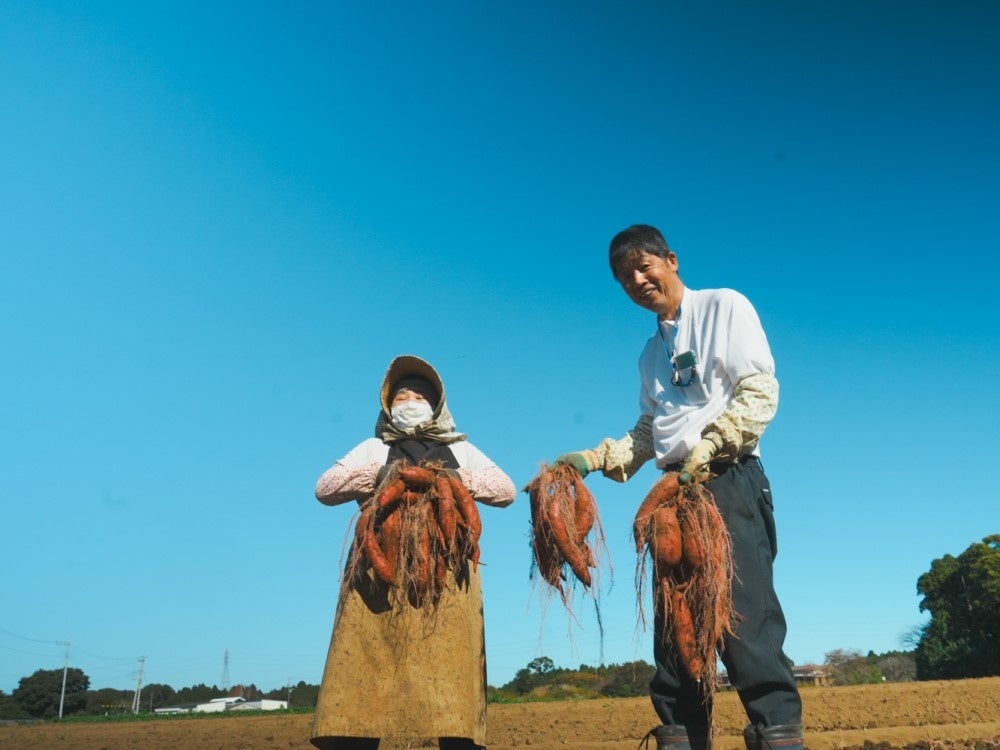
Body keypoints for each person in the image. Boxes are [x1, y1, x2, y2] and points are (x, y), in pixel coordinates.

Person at [551, 225, 803, 750]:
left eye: (645, 267)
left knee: (744, 617)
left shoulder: (724, 306)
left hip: (728, 480)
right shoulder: (650, 353)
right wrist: (595, 458)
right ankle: (682, 736)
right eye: (625, 278)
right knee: (675, 631)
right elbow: (650, 431)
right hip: (674, 495)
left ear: (671, 259)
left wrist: (715, 444)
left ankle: (776, 731)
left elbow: (758, 388)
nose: (638, 281)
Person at [310, 354, 516, 750]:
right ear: (388, 405)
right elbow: (325, 488)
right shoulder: (373, 447)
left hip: (447, 573)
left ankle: (458, 738)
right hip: (377, 573)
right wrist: (381, 476)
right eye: (402, 394)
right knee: (366, 672)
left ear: (437, 404)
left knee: (448, 676)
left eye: (421, 395)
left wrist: (450, 481)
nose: (411, 400)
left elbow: (504, 490)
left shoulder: (462, 449)